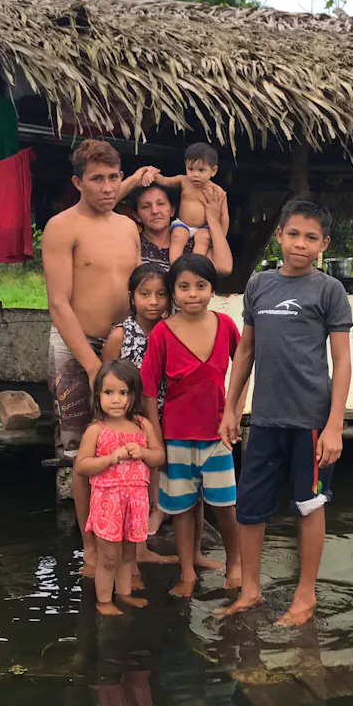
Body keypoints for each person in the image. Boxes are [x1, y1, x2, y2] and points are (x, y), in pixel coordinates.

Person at [217, 199, 353, 626]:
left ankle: (306, 596)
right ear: (279, 235)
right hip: (266, 419)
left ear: (323, 244)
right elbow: (246, 349)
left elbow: (342, 361)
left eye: (311, 237)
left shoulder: (328, 290)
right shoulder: (259, 285)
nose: (300, 243)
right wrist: (231, 406)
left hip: (311, 421)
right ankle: (251, 591)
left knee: (310, 505)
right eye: (293, 234)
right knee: (249, 506)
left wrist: (334, 426)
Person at [44, 139, 141, 577]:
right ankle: (86, 541)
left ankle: (127, 541)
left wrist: (131, 345)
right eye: (96, 179)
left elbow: (139, 293)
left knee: (127, 438)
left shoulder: (128, 227)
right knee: (78, 447)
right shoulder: (62, 227)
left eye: (113, 178)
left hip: (122, 343)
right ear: (77, 182)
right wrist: (90, 364)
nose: (106, 187)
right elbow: (59, 303)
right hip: (75, 342)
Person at [140, 254, 242, 597]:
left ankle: (236, 564)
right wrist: (155, 437)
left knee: (225, 506)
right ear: (173, 292)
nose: (193, 294)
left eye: (201, 286)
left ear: (212, 289)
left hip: (217, 435)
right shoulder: (163, 334)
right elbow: (149, 390)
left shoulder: (226, 325)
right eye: (183, 287)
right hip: (176, 437)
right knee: (181, 508)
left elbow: (242, 370)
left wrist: (236, 412)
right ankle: (187, 572)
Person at [74, 359, 166, 616]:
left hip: (135, 503)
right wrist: (109, 458)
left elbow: (159, 458)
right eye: (108, 392)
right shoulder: (96, 430)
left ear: (133, 395)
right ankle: (104, 601)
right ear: (98, 395)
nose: (115, 400)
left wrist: (145, 453)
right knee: (109, 557)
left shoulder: (142, 426)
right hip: (108, 504)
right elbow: (82, 465)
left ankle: (124, 594)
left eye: (123, 393)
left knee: (129, 554)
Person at [137, 143, 229, 264]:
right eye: (191, 169)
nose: (195, 174)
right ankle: (175, 265)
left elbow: (224, 216)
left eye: (201, 170)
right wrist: (150, 174)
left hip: (203, 227)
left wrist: (221, 237)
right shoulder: (183, 181)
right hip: (182, 224)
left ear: (213, 171)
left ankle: (195, 266)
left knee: (204, 240)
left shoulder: (218, 191)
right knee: (177, 237)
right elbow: (164, 180)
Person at [131, 182, 233, 275]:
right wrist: (135, 179)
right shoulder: (134, 244)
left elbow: (224, 267)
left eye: (161, 204)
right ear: (137, 215)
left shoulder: (192, 244)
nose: (155, 211)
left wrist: (212, 218)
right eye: (146, 206)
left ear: (172, 210)